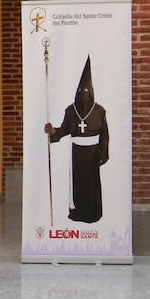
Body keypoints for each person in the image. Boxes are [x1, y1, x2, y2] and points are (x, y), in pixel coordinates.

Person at [44, 56, 109, 223]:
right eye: (80, 92)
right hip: (77, 153)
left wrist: (103, 153)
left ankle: (93, 213)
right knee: (78, 184)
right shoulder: (71, 110)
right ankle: (78, 212)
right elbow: (63, 130)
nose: (83, 95)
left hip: (93, 152)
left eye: (86, 92)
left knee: (92, 184)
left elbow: (105, 135)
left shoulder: (99, 111)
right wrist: (52, 132)